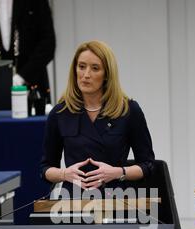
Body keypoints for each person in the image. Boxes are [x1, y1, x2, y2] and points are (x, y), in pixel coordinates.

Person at [40, 40, 155, 195]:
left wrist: (117, 172)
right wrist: (64, 174)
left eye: (95, 68)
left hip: (117, 199)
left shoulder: (128, 110)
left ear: (107, 75)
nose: (86, 75)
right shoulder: (60, 113)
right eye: (81, 67)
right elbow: (46, 168)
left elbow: (147, 165)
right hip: (73, 201)